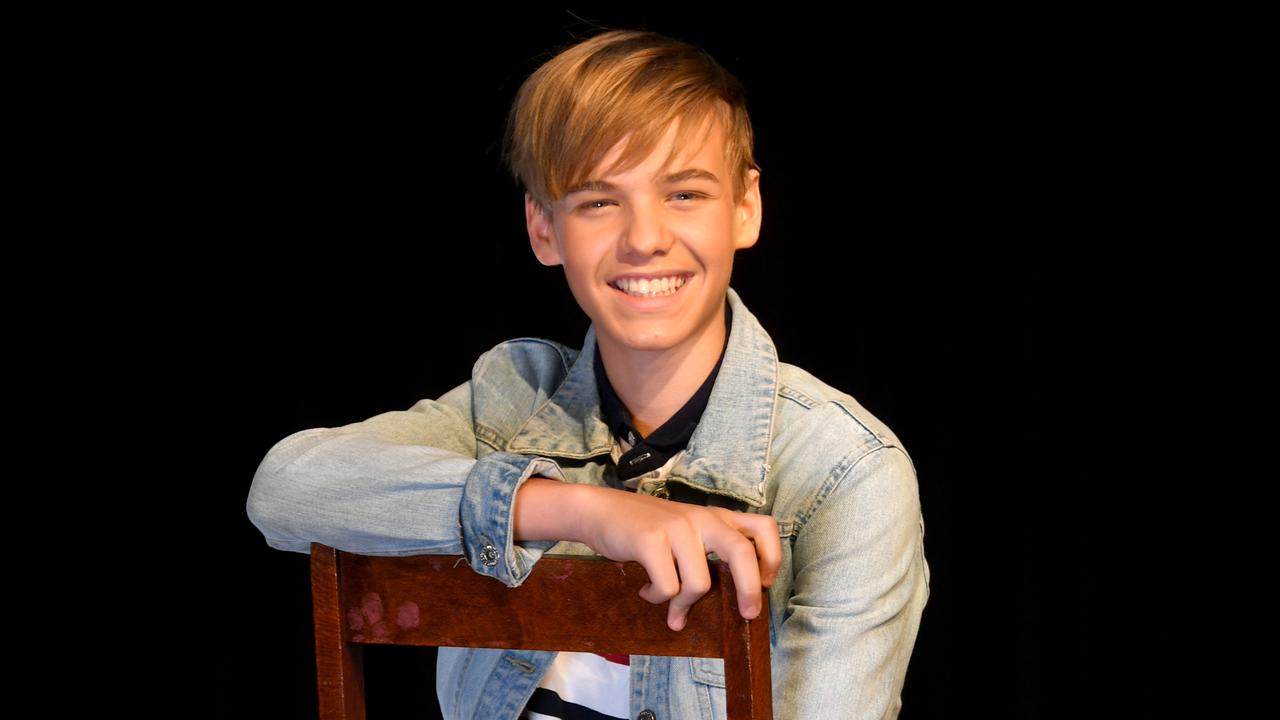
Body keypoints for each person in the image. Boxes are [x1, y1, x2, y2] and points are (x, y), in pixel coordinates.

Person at [247, 27, 929, 720]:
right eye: (599, 202)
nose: (643, 238)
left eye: (685, 194)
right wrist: (584, 510)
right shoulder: (511, 404)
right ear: (544, 229)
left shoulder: (846, 474)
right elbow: (285, 489)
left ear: (745, 208)